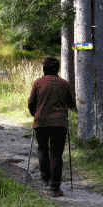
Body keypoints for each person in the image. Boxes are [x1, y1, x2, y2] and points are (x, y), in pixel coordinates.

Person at [27, 57, 76, 197]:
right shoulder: (64, 84)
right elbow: (71, 104)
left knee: (42, 149)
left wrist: (34, 114)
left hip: (41, 122)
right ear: (57, 69)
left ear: (44, 69)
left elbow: (31, 103)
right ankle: (55, 187)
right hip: (59, 124)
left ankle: (45, 178)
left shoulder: (38, 83)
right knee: (56, 154)